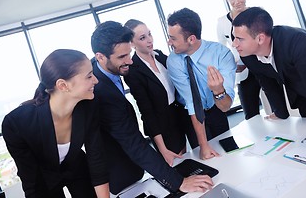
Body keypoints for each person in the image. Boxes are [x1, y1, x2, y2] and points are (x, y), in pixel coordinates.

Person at [232, 7, 306, 190]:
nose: (234, 44)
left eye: (239, 38)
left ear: (260, 38)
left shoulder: (296, 41)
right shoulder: (250, 56)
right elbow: (268, 84)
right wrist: (280, 113)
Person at [90, 21, 214, 195]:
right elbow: (133, 141)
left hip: (133, 163)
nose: (129, 61)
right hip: (116, 169)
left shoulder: (103, 67)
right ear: (100, 57)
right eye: (121, 57)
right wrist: (177, 182)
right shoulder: (100, 91)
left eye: (128, 54)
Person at [2, 49, 109, 198]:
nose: (96, 80)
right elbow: (31, 180)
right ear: (63, 85)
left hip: (77, 167)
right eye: (89, 76)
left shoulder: (89, 106)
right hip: (43, 178)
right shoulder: (16, 124)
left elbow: (96, 157)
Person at [166, 8, 237, 160]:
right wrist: (204, 146)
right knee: (205, 157)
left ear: (191, 39)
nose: (169, 42)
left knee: (228, 152)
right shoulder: (174, 60)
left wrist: (218, 91)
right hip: (190, 114)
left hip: (216, 108)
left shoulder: (221, 54)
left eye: (173, 38)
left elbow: (225, 106)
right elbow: (192, 102)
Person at [123, 19, 196, 166]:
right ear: (131, 44)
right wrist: (162, 149)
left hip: (181, 113)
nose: (150, 40)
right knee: (178, 165)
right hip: (163, 125)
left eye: (149, 34)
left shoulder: (160, 56)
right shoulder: (133, 71)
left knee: (196, 154)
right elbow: (147, 112)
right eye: (142, 38)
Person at [217, 0, 279, 120]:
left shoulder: (258, 14)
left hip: (263, 64)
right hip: (242, 72)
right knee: (250, 114)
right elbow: (222, 50)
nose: (237, 1)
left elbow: (268, 39)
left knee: (277, 108)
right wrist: (233, 65)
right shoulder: (221, 22)